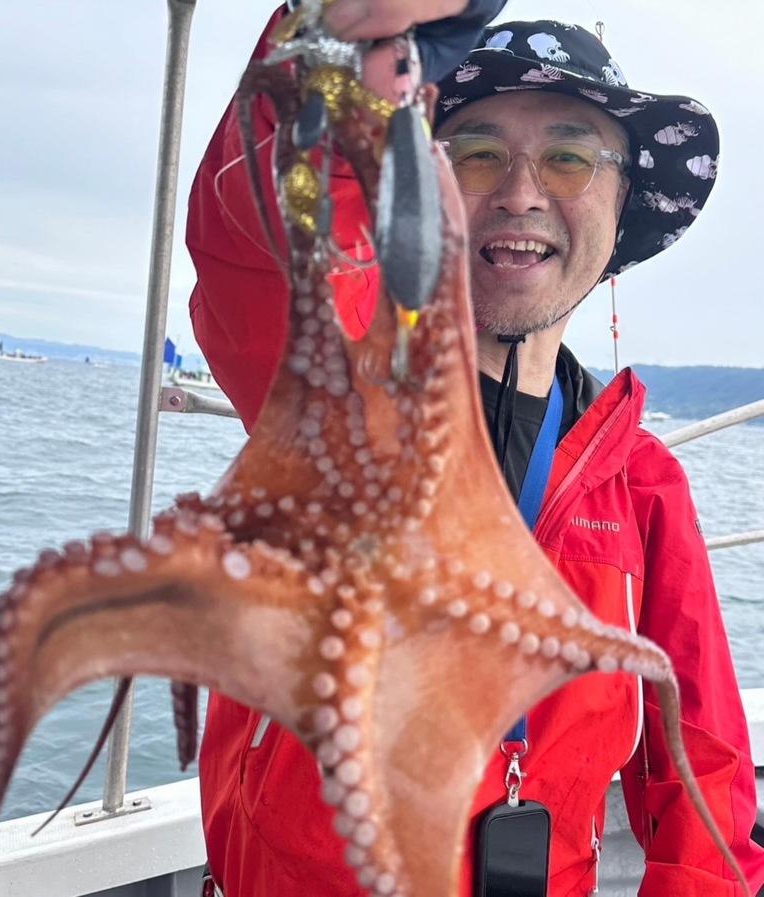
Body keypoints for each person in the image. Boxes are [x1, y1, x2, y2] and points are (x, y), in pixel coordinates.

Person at [185, 3, 764, 895]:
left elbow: (706, 773)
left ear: (622, 213)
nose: (522, 193)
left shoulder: (645, 486)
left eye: (569, 157)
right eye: (473, 154)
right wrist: (330, 64)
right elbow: (264, 246)